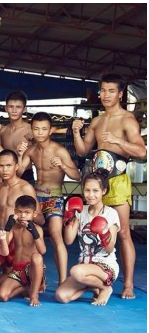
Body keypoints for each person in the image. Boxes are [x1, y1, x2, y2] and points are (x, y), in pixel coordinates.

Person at [72, 73, 146, 299]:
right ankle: (97, 278)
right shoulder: (97, 121)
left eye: (111, 91)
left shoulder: (127, 120)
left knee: (123, 233)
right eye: (103, 91)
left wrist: (118, 142)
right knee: (94, 228)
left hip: (118, 180)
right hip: (97, 182)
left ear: (120, 94)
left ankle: (129, 284)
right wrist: (76, 131)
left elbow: (143, 152)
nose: (106, 95)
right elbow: (83, 151)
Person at [17, 112, 80, 285]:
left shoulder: (59, 150)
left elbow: (76, 175)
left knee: (55, 235)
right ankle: (35, 279)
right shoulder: (31, 151)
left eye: (44, 129)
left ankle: (62, 281)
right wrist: (20, 155)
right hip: (37, 198)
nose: (40, 132)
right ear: (31, 130)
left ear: (50, 130)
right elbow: (18, 173)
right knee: (30, 235)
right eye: (36, 129)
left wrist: (63, 165)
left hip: (54, 197)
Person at [56, 171, 120, 306]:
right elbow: (68, 240)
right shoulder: (81, 212)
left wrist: (103, 234)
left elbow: (109, 249)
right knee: (61, 296)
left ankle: (105, 287)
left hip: (105, 267)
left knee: (75, 271)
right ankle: (91, 286)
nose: (91, 195)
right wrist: (68, 218)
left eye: (95, 190)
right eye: (87, 190)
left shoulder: (111, 213)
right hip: (84, 266)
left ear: (104, 191)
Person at [0, 150, 44, 278]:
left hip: (17, 237)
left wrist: (25, 220)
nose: (4, 170)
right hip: (1, 235)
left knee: (12, 277)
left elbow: (41, 219)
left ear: (16, 166)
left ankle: (33, 281)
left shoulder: (25, 188)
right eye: (1, 166)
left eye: (8, 165)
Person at [0, 195, 46, 307]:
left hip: (32, 269)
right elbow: (5, 246)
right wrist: (8, 226)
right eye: (19, 212)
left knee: (37, 257)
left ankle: (34, 295)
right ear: (14, 212)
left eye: (27, 212)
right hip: (17, 270)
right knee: (1, 296)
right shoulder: (14, 228)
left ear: (34, 214)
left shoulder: (37, 229)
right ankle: (26, 289)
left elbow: (42, 251)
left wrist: (34, 232)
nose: (23, 216)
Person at [0, 91, 35, 183]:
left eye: (18, 107)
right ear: (6, 108)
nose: (14, 110)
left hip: (26, 175)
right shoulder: (2, 132)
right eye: (11, 106)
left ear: (24, 109)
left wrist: (36, 140)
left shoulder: (31, 130)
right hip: (6, 176)